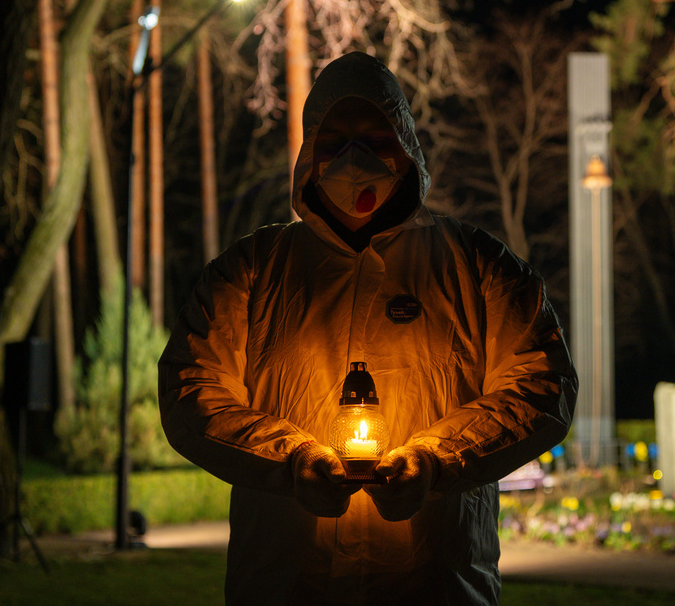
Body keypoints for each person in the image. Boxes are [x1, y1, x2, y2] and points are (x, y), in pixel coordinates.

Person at [159, 51, 577, 605]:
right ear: (309, 151)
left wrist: (435, 460)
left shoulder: (477, 268)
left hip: (434, 583)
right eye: (335, 141)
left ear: (405, 145)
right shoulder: (254, 271)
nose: (354, 158)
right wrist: (292, 459)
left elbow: (541, 385)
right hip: (287, 583)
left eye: (374, 139)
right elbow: (192, 389)